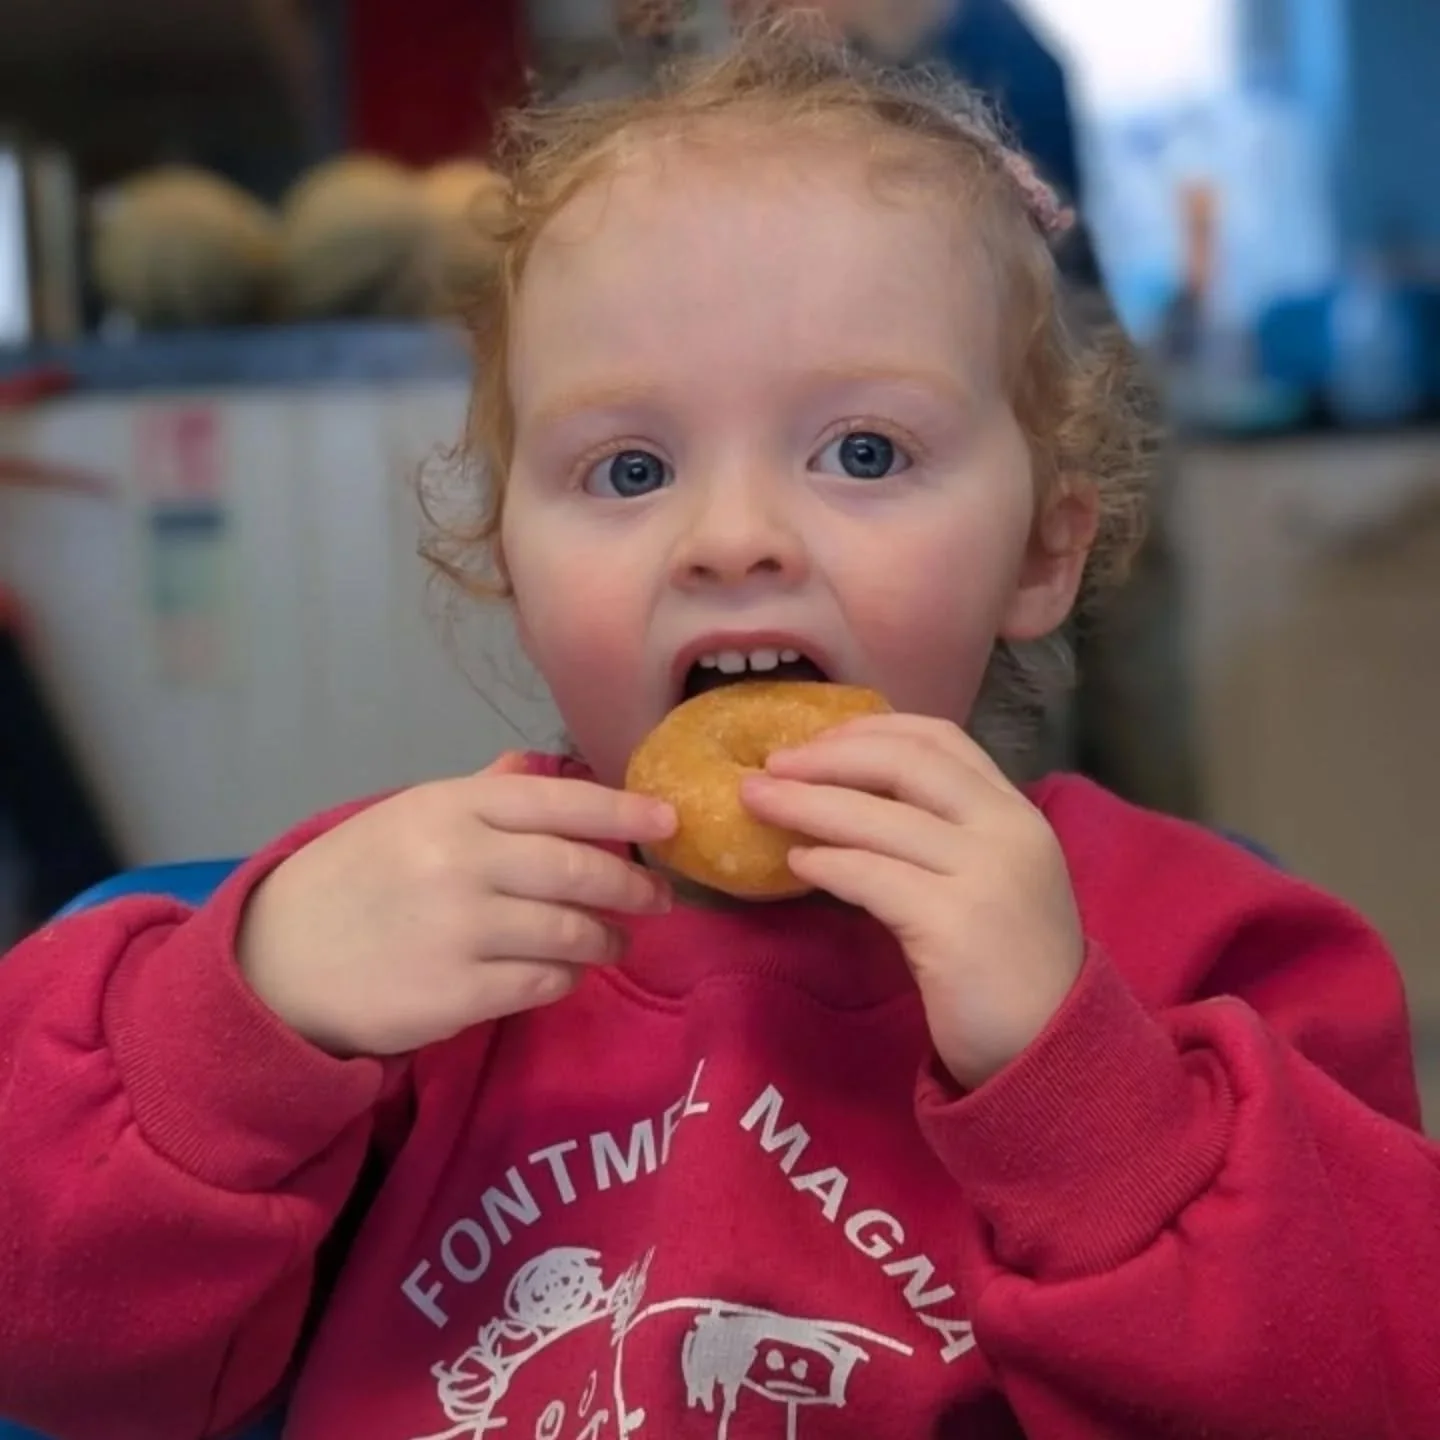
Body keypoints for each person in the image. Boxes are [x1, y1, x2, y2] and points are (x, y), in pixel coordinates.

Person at [2, 21, 1438, 1440]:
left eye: (862, 452)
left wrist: (1078, 1092)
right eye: (628, 467)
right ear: (510, 560)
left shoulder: (1209, 954)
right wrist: (244, 1019)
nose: (734, 537)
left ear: (1041, 553)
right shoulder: (398, 927)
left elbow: (1374, 1388)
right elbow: (54, 1361)